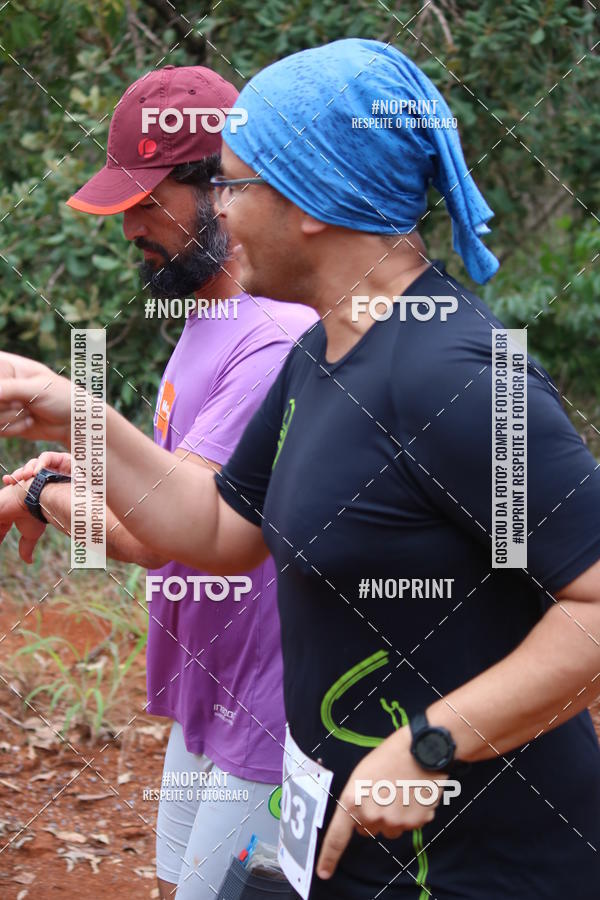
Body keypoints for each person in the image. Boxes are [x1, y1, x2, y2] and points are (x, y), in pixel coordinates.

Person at [2, 38, 600, 899]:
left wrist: (431, 743)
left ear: (310, 200)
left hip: (483, 868)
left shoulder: (459, 375)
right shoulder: (320, 355)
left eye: (232, 185)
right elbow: (218, 529)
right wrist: (73, 411)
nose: (221, 211)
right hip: (348, 846)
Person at [0, 64, 315, 900]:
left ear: (223, 189)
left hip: (271, 710)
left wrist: (37, 496)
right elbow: (172, 485)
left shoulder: (275, 336)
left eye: (148, 202)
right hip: (214, 686)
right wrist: (82, 469)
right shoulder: (207, 315)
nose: (130, 227)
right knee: (180, 885)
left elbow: (166, 534)